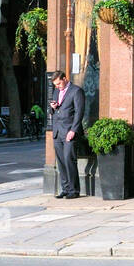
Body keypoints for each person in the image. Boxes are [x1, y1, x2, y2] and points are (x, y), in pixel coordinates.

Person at [49, 70, 85, 199]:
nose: (57, 87)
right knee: (61, 161)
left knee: (69, 160)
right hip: (58, 131)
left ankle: (74, 191)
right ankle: (65, 188)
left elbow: (79, 112)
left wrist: (73, 130)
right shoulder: (56, 91)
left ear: (65, 79)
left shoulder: (76, 91)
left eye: (59, 84)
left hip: (70, 131)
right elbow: (56, 111)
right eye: (55, 85)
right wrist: (54, 107)